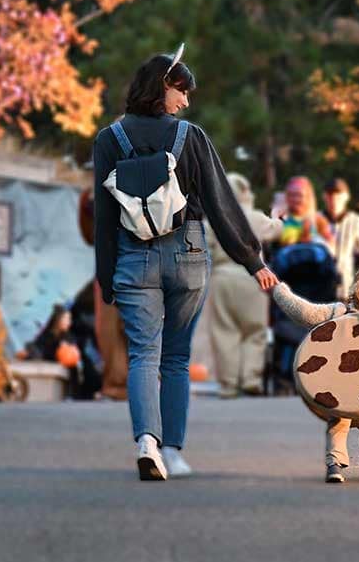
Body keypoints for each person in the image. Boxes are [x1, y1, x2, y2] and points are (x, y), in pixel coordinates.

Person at [94, 47, 279, 481]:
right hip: (188, 255)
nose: (186, 102)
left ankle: (146, 443)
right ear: (163, 86)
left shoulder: (109, 140)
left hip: (133, 257)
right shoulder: (190, 138)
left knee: (143, 353)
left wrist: (106, 278)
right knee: (175, 359)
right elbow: (219, 203)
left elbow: (105, 217)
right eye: (183, 91)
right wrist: (252, 260)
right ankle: (173, 452)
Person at [272, 264, 359, 484]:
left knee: (338, 425)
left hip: (337, 390)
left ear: (354, 288)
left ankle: (335, 465)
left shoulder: (336, 312)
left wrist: (279, 291)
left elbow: (303, 311)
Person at [204, 172, 283, 398]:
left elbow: (205, 245)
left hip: (221, 278)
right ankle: (251, 379)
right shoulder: (256, 218)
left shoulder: (213, 219)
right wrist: (278, 217)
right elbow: (277, 230)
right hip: (252, 277)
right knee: (254, 331)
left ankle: (228, 384)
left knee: (224, 331)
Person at [322, 177, 359, 299]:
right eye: (330, 196)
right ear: (324, 197)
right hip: (319, 292)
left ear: (346, 197)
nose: (334, 200)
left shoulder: (355, 221)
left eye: (338, 196)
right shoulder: (315, 221)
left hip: (346, 290)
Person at [276, 176, 335, 253]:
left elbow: (332, 249)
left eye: (299, 195)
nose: (296, 199)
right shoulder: (281, 221)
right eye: (292, 195)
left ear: (308, 197)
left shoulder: (318, 220)